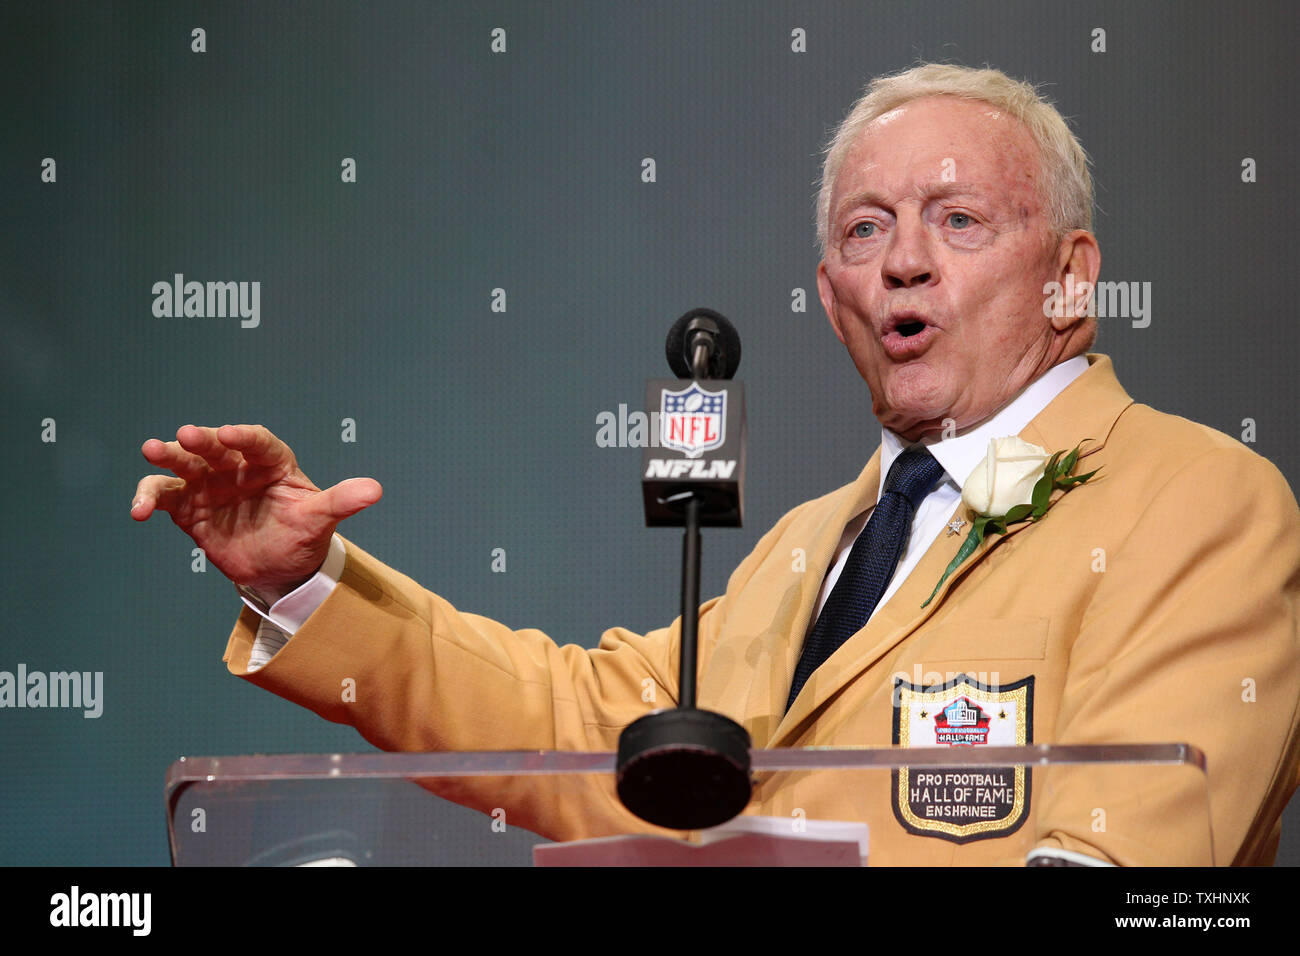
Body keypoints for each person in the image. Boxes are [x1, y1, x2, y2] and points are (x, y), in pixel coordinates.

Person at [132, 63, 1300, 865]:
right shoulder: (807, 546)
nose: (901, 261)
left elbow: (1130, 863)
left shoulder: (1200, 502)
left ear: (1070, 277)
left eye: (956, 220)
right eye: (863, 228)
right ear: (829, 297)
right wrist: (304, 583)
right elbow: (580, 723)